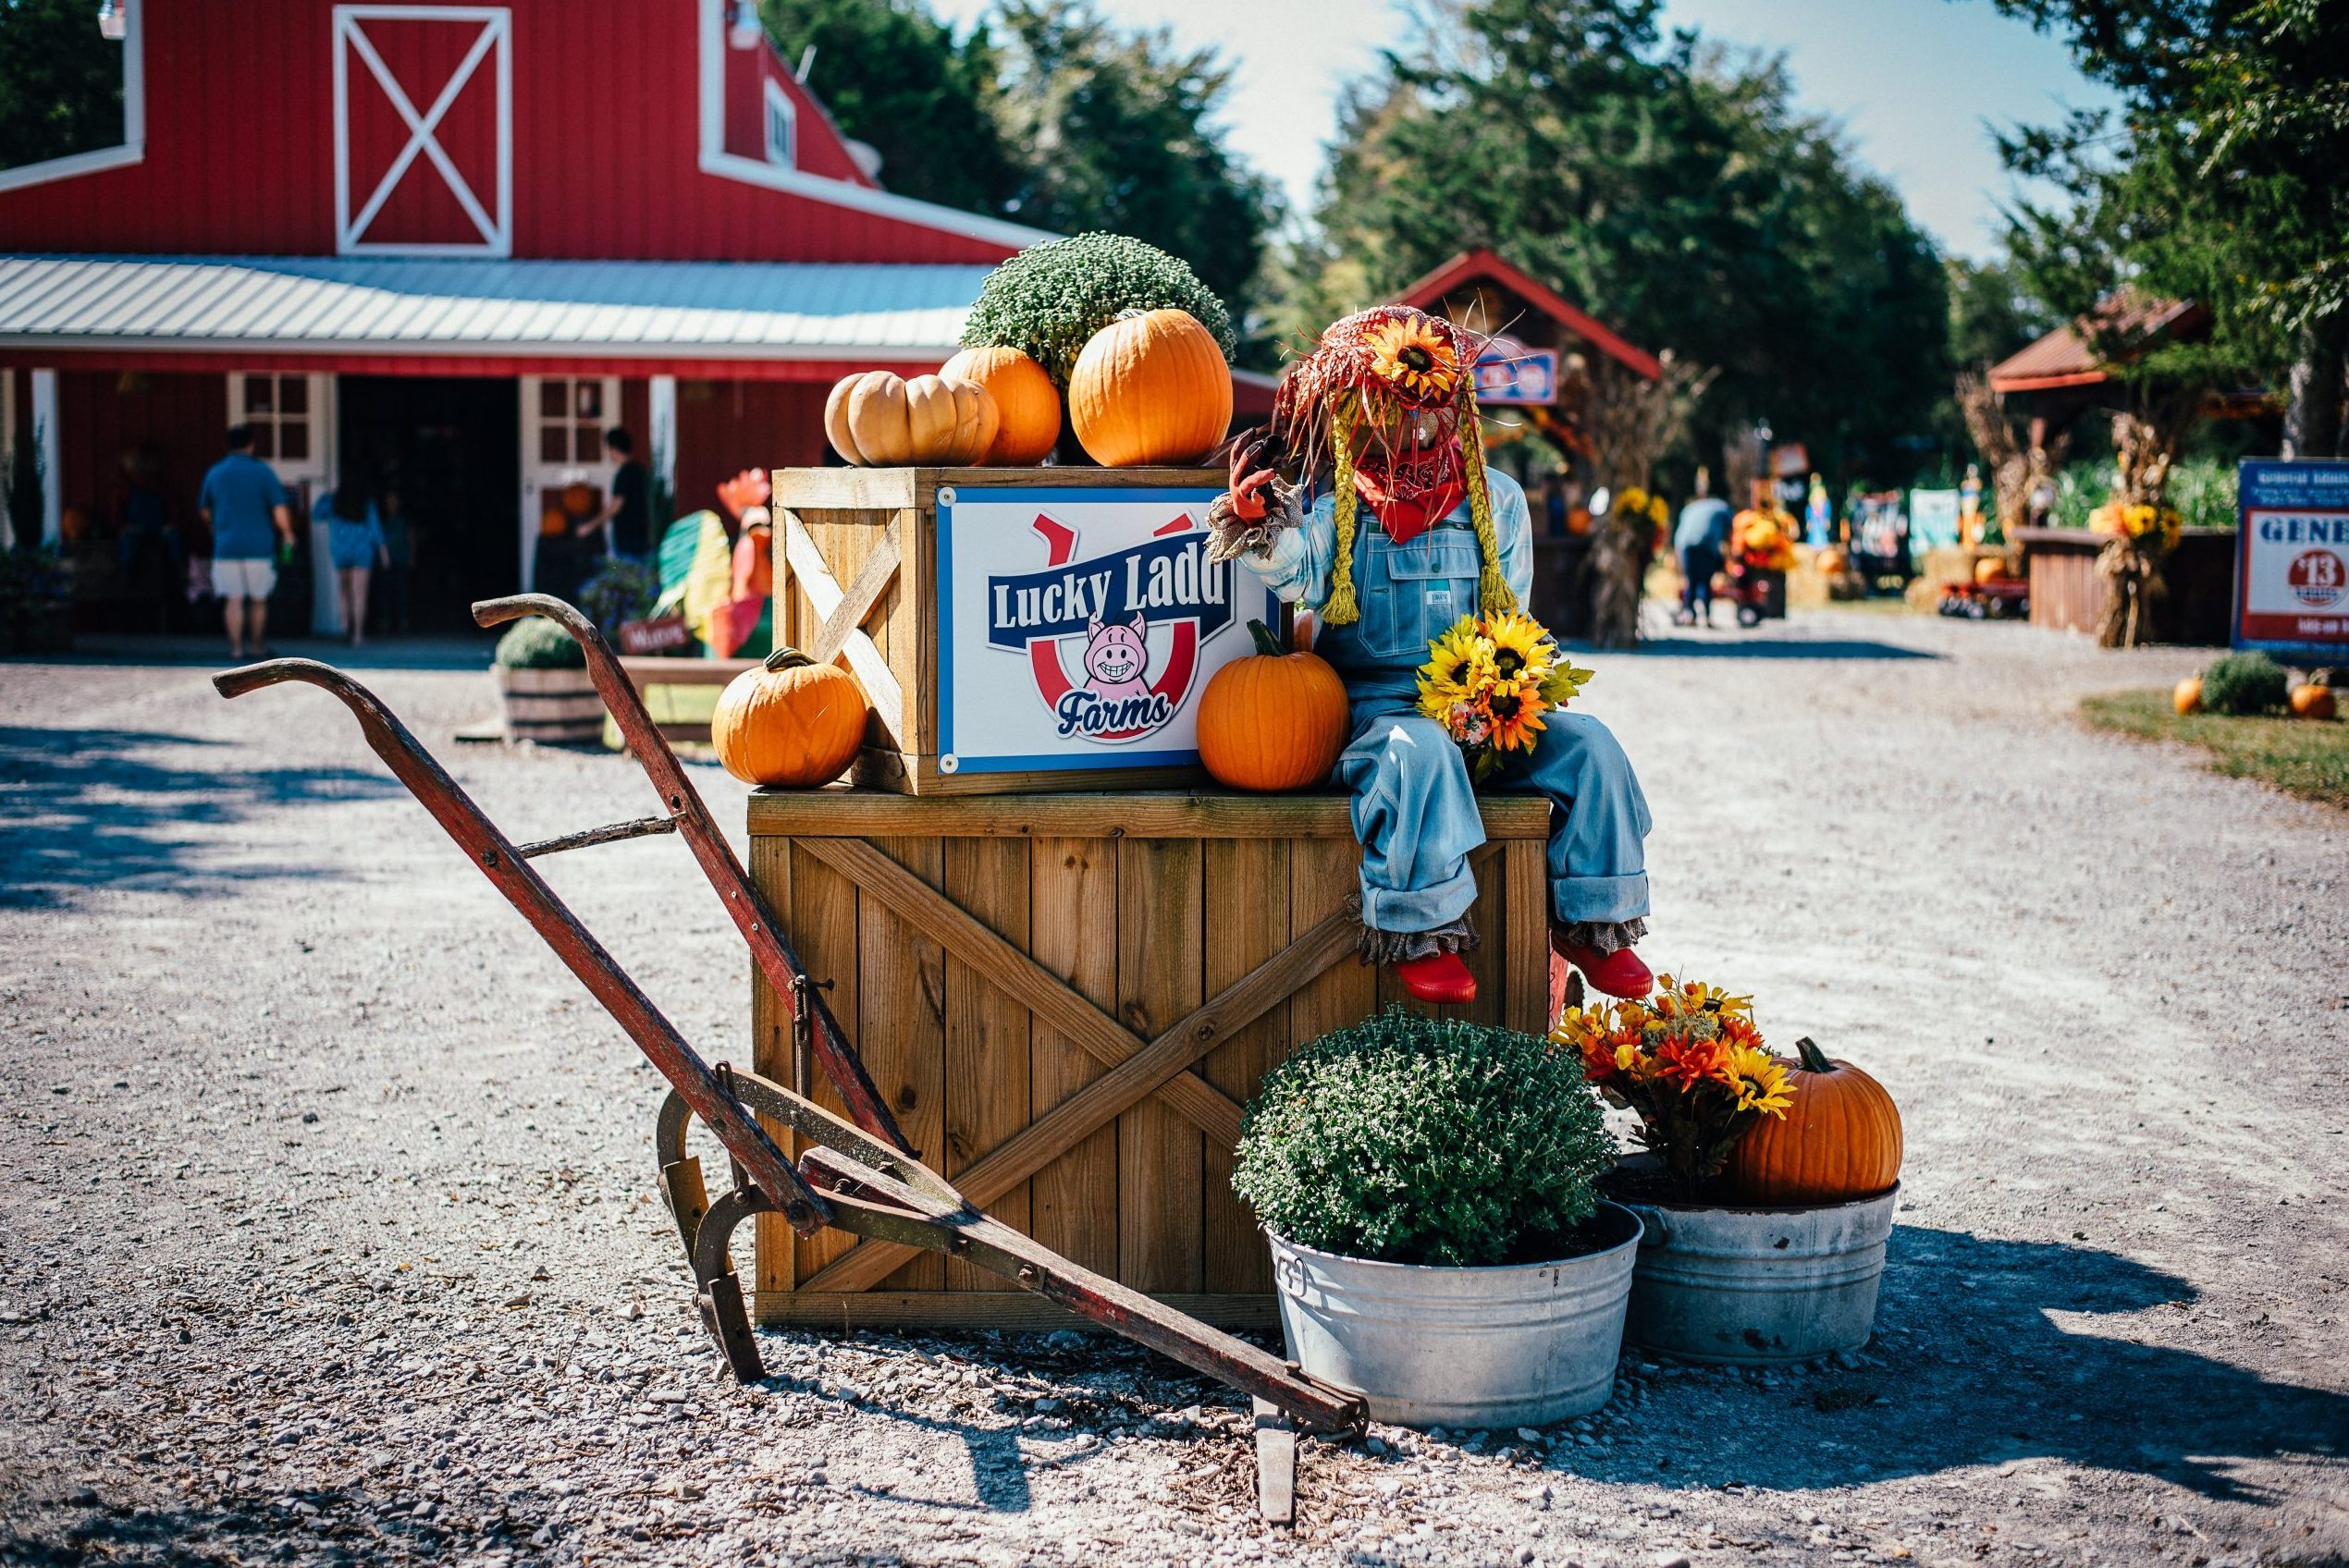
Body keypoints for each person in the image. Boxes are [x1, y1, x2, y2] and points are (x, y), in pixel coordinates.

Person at [1209, 305, 1654, 1007]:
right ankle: (1422, 928)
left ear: (1455, 406)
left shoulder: (1497, 501)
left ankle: (1592, 920)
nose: (1413, 429)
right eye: (1391, 411)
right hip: (1377, 714)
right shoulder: (1335, 506)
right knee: (1417, 754)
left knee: (1590, 746)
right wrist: (1263, 529)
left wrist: (1511, 688)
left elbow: (1516, 619)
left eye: (1427, 410)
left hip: (1482, 711)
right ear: (1355, 413)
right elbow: (1299, 574)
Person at [197, 425, 295, 660]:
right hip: (259, 546)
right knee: (259, 599)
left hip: (226, 546)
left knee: (233, 599)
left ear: (226, 446)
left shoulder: (215, 473)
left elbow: (204, 509)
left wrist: (214, 527)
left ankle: (236, 649)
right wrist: (288, 534)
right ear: (251, 445)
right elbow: (279, 510)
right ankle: (256, 646)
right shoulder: (263, 472)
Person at [316, 472, 389, 646]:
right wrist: (384, 553)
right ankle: (358, 634)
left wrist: (326, 494)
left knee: (344, 591)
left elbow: (316, 514)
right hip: (362, 552)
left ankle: (344, 627)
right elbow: (375, 530)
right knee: (359, 595)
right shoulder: (367, 503)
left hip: (341, 551)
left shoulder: (334, 502)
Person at [1672, 472, 1732, 628]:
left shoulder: (1691, 507)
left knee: (1691, 580)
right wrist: (1729, 555)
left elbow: (1680, 532)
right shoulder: (1723, 507)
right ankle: (1706, 617)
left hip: (1684, 544)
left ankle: (1689, 614)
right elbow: (1730, 533)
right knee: (1705, 581)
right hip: (1706, 544)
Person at [582, 427, 652, 560]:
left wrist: (591, 525)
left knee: (625, 574)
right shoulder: (641, 470)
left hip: (628, 538)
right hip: (643, 536)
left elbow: (616, 506)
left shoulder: (624, 474)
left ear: (613, 449)